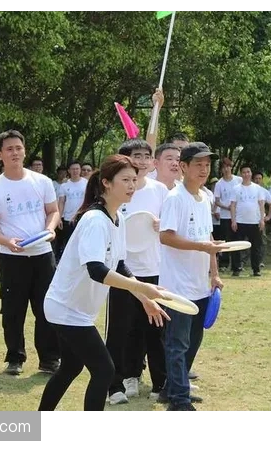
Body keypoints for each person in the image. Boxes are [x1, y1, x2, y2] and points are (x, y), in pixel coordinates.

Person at [38, 154, 170, 411]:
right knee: (104, 370)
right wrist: (141, 287)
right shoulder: (95, 220)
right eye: (125, 180)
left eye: (134, 180)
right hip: (65, 308)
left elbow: (119, 265)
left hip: (78, 310)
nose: (132, 185)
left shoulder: (117, 217)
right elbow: (97, 270)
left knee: (71, 367)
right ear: (107, 183)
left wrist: (144, 298)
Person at [0, 130, 61, 375]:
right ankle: (15, 357)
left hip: (42, 254)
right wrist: (6, 241)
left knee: (45, 307)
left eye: (18, 148)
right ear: (0, 155)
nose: (15, 153)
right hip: (12, 257)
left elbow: (53, 211)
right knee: (13, 311)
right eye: (9, 149)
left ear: (24, 151)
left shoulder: (42, 182)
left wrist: (50, 229)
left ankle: (49, 358)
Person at [159, 142, 226, 410]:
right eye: (198, 164)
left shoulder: (204, 198)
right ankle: (179, 401)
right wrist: (201, 247)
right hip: (177, 285)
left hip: (199, 284)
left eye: (207, 164)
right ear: (183, 167)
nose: (204, 169)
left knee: (193, 342)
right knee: (178, 343)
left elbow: (208, 237)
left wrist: (214, 274)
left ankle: (172, 389)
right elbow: (166, 236)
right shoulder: (175, 198)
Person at [105, 139, 169, 405]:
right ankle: (120, 381)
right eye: (136, 156)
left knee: (156, 329)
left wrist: (161, 224)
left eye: (146, 156)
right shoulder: (116, 191)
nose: (142, 161)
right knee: (123, 329)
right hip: (122, 271)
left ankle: (160, 382)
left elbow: (170, 225)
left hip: (153, 268)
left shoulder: (160, 190)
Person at [230, 165, 265, 277]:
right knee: (237, 246)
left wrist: (262, 220)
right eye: (244, 172)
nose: (246, 174)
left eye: (248, 172)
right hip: (240, 221)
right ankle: (236, 268)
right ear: (241, 174)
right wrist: (233, 221)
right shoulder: (236, 188)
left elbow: (261, 204)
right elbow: (233, 205)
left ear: (251, 174)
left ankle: (256, 269)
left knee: (256, 247)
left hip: (254, 221)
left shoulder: (257, 188)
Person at [56, 161, 87, 260]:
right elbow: (61, 202)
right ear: (69, 171)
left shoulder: (86, 183)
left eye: (77, 169)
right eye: (73, 169)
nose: (75, 171)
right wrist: (59, 218)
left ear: (80, 170)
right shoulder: (64, 185)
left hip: (84, 217)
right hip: (68, 218)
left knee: (83, 242)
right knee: (69, 243)